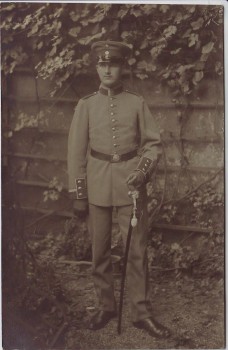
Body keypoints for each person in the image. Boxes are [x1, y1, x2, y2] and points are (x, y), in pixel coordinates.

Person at [67, 40, 170, 338]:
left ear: (122, 67)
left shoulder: (136, 103)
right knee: (99, 250)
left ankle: (141, 312)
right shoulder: (86, 105)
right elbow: (76, 153)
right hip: (97, 184)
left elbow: (152, 145)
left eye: (113, 64)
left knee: (137, 250)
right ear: (96, 67)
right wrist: (79, 194)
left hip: (131, 185)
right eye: (102, 64)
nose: (107, 69)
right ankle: (105, 306)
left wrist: (141, 173)